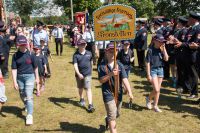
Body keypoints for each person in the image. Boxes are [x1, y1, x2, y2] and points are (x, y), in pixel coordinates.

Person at [98, 43, 133, 133]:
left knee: (116, 114)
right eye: (111, 50)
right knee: (112, 117)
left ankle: (107, 119)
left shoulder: (120, 65)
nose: (113, 52)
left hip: (118, 93)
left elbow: (125, 78)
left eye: (116, 50)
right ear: (106, 51)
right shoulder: (102, 65)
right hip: (107, 93)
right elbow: (101, 80)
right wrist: (111, 74)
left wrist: (129, 91)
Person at [11, 35, 39, 125]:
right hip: (20, 78)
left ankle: (29, 115)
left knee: (29, 95)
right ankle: (27, 105)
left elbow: (35, 67)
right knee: (22, 95)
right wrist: (15, 81)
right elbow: (14, 69)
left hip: (30, 76)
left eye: (24, 44)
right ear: (18, 45)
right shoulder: (15, 55)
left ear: (26, 44)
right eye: (21, 44)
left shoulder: (31, 54)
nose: (23, 46)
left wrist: (37, 78)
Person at [173, 11, 200, 99]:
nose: (188, 20)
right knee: (189, 74)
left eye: (189, 18)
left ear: (193, 19)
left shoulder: (198, 28)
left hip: (194, 55)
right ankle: (191, 91)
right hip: (187, 55)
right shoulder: (191, 29)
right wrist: (180, 42)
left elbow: (195, 44)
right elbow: (187, 42)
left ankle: (194, 93)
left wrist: (182, 44)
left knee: (193, 74)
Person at [145, 34, 169, 113]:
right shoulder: (150, 50)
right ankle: (148, 98)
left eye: (163, 42)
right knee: (156, 89)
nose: (162, 43)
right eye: (160, 41)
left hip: (160, 70)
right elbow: (147, 63)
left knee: (158, 90)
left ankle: (155, 106)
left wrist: (164, 49)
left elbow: (166, 59)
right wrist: (148, 74)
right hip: (153, 70)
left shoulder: (161, 49)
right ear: (155, 41)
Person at [73, 39, 95, 113]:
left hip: (87, 74)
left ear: (85, 45)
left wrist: (90, 70)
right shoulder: (75, 55)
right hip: (79, 75)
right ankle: (81, 98)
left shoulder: (89, 53)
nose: (82, 46)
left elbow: (91, 62)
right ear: (78, 45)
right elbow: (75, 65)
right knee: (80, 88)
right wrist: (79, 74)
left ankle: (90, 104)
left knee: (88, 88)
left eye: (83, 44)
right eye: (80, 44)